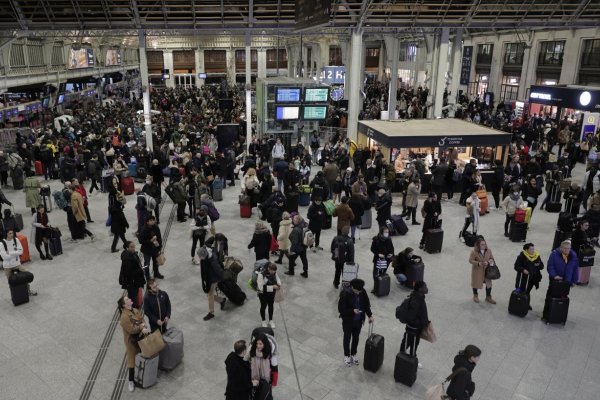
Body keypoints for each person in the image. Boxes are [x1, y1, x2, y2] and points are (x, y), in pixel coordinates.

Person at [337, 278, 374, 367]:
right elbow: (341, 310)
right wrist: (352, 311)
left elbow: (366, 304)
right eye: (357, 291)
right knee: (347, 338)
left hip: (358, 321)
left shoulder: (362, 291)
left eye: (360, 291)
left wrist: (370, 315)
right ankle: (346, 355)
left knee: (356, 338)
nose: (358, 293)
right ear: (352, 287)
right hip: (348, 321)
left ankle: (353, 354)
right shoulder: (345, 294)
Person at [117, 295, 150, 393]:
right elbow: (131, 330)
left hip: (141, 337)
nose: (130, 299)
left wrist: (143, 326)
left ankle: (144, 373)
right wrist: (141, 327)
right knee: (131, 360)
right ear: (124, 305)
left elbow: (142, 320)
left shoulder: (135, 310)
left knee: (145, 353)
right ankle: (131, 381)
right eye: (127, 299)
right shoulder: (124, 317)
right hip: (131, 341)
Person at [542, 240, 579, 321]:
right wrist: (554, 276)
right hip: (555, 281)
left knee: (562, 298)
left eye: (568, 248)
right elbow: (550, 266)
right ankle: (546, 315)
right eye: (565, 248)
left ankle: (559, 316)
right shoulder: (554, 254)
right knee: (550, 297)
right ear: (561, 248)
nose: (566, 250)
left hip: (566, 281)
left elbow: (575, 269)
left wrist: (574, 281)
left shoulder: (573, 256)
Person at [399, 281, 429, 365]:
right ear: (420, 289)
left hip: (415, 328)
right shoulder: (415, 301)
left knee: (409, 342)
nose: (427, 288)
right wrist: (420, 323)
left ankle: (403, 355)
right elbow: (410, 318)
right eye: (425, 286)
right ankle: (409, 359)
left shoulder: (419, 297)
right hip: (413, 329)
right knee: (412, 343)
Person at [1, 228, 37, 296]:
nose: (12, 235)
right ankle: (14, 295)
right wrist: (15, 254)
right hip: (7, 266)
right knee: (11, 282)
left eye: (12, 233)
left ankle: (28, 291)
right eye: (10, 233)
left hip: (17, 264)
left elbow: (21, 252)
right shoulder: (2, 243)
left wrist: (10, 253)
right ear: (6, 234)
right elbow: (4, 257)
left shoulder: (16, 239)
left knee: (25, 277)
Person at [197, 245, 226, 321]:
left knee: (209, 294)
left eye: (200, 257)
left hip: (214, 279)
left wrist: (223, 278)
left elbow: (219, 270)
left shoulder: (212, 260)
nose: (200, 258)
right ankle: (222, 300)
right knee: (209, 294)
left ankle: (211, 313)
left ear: (205, 255)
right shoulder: (206, 258)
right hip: (210, 278)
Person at [468, 237, 496, 304]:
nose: (484, 246)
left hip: (487, 271)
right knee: (475, 284)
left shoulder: (489, 250)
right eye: (482, 244)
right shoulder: (474, 252)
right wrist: (478, 263)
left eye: (484, 244)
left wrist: (488, 262)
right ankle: (475, 295)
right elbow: (470, 260)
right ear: (478, 245)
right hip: (477, 271)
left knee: (489, 284)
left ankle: (488, 297)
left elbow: (492, 259)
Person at [118, 241, 146, 308]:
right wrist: (140, 270)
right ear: (127, 248)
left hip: (134, 280)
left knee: (134, 294)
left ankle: (134, 305)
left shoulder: (132, 253)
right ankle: (133, 307)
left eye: (134, 246)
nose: (134, 248)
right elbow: (128, 273)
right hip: (131, 282)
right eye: (132, 247)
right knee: (132, 295)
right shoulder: (127, 259)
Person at [138, 215, 164, 279]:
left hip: (155, 248)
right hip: (147, 250)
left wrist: (160, 247)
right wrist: (150, 240)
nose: (153, 221)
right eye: (151, 220)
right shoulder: (143, 229)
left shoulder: (156, 227)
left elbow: (159, 237)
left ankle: (156, 273)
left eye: (153, 220)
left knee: (156, 262)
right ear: (147, 222)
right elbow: (141, 241)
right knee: (147, 263)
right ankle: (147, 275)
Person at [257, 262, 282, 328]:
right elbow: (260, 288)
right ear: (268, 269)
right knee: (263, 306)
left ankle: (271, 320)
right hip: (263, 294)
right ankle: (263, 321)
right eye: (272, 271)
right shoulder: (261, 275)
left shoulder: (274, 272)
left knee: (271, 306)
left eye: (274, 271)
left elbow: (278, 278)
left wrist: (279, 284)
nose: (273, 273)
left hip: (271, 293)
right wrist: (273, 287)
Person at [370, 226, 394, 291]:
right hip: (378, 259)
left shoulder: (389, 239)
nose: (387, 233)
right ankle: (375, 287)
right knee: (376, 274)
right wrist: (378, 254)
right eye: (385, 232)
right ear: (381, 232)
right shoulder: (376, 239)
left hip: (387, 259)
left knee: (383, 273)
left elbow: (392, 248)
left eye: (387, 232)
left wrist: (391, 254)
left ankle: (381, 286)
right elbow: (372, 249)